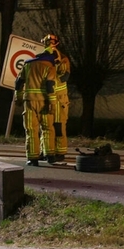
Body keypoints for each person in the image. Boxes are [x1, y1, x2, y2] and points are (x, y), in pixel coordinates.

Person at [15, 50, 57, 166]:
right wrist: (52, 103)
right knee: (48, 128)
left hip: (29, 101)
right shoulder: (50, 67)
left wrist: (18, 97)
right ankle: (50, 155)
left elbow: (18, 82)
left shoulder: (28, 65)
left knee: (31, 129)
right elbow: (50, 86)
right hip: (44, 102)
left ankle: (33, 158)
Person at [43, 34, 71, 162]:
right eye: (47, 42)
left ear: (57, 43)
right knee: (46, 126)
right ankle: (47, 151)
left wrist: (57, 61)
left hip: (59, 98)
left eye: (52, 42)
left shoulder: (63, 59)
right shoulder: (41, 59)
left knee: (59, 125)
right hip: (47, 97)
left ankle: (60, 152)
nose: (50, 44)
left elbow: (64, 76)